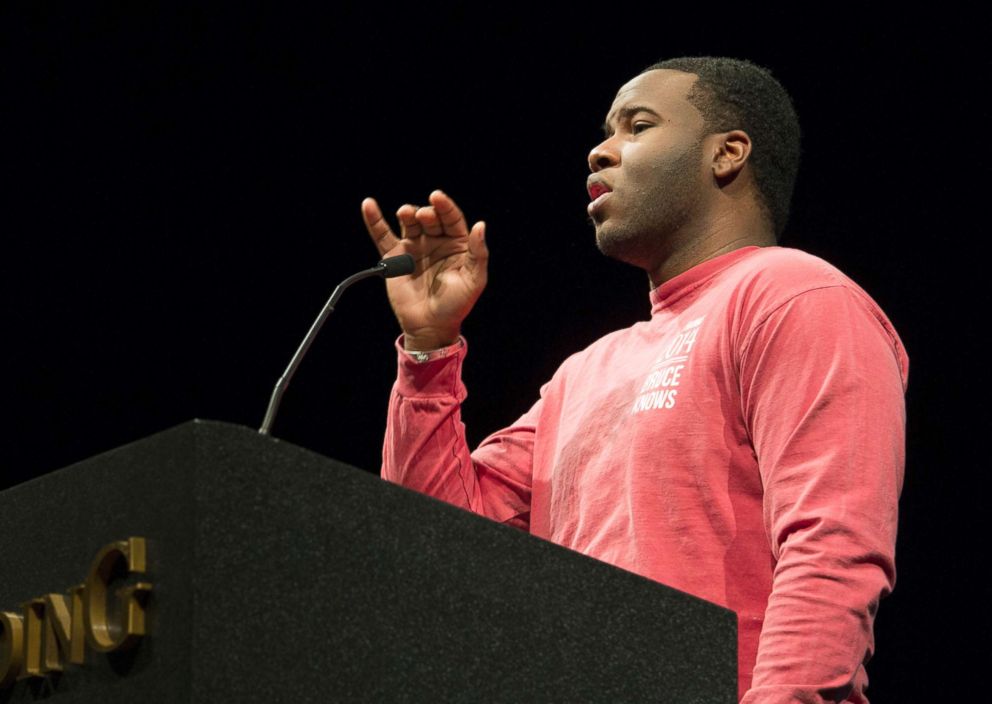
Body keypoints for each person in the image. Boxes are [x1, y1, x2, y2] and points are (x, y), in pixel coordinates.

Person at [360, 56, 908, 704]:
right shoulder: (584, 374)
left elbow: (831, 550)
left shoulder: (793, 296)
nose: (599, 152)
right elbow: (436, 548)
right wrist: (429, 350)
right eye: (604, 132)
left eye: (636, 127)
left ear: (727, 153)